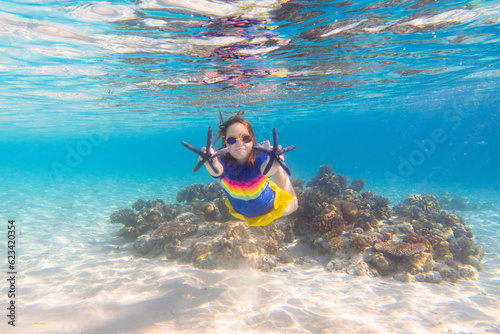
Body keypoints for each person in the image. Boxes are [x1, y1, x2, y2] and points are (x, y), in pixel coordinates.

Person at [199, 115, 298, 226]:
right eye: (232, 140)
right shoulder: (223, 163)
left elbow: (267, 170)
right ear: (225, 143)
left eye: (245, 138)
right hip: (243, 209)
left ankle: (275, 162)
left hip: (271, 207)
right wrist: (210, 162)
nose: (239, 143)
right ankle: (268, 154)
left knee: (294, 204)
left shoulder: (259, 161)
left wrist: (274, 163)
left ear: (252, 141)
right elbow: (216, 170)